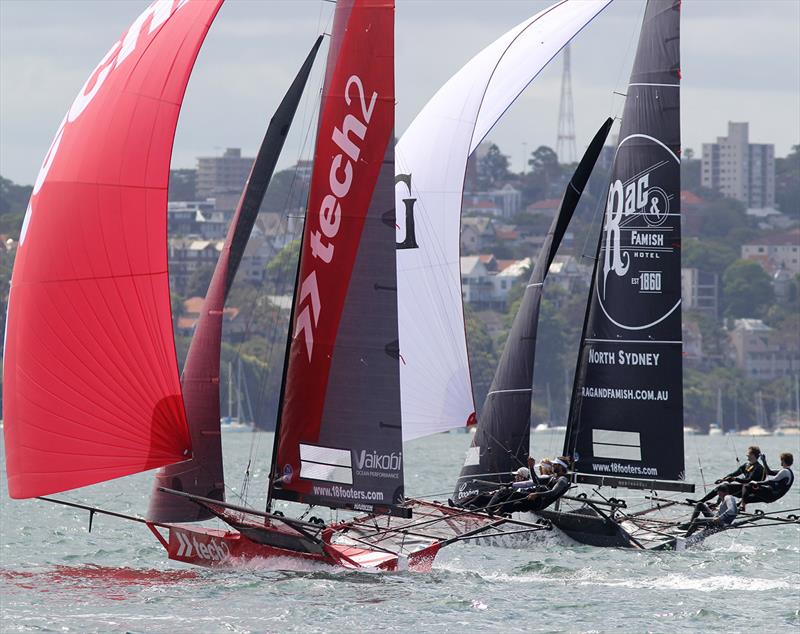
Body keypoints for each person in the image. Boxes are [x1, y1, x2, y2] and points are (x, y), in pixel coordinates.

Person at [692, 445, 765, 504]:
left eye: (748, 454)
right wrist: (723, 479)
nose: (747, 455)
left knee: (724, 487)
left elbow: (748, 481)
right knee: (722, 486)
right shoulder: (746, 465)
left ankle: (706, 502)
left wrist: (734, 479)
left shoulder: (758, 468)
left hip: (748, 491)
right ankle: (708, 502)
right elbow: (734, 473)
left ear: (753, 455)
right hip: (742, 488)